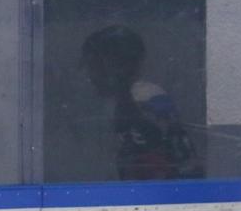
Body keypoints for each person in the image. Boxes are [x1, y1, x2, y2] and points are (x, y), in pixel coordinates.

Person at [79, 25, 199, 182]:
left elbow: (160, 163)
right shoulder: (117, 102)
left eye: (93, 67)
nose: (90, 76)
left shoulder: (146, 98)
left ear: (117, 67)